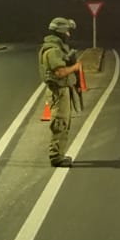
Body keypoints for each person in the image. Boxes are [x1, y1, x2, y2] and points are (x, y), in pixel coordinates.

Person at [39, 16, 83, 167]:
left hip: (63, 89)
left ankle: (59, 154)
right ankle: (56, 157)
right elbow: (60, 72)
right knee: (60, 123)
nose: (69, 35)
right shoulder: (53, 50)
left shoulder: (58, 48)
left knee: (64, 122)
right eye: (67, 31)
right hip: (58, 91)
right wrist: (75, 68)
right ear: (61, 32)